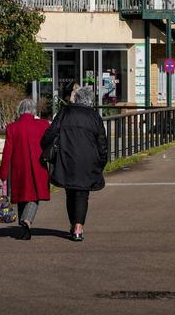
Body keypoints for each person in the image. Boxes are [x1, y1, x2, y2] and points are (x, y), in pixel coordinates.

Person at [41, 85, 109, 242]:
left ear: (76, 98)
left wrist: (45, 146)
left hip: (67, 158)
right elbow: (102, 143)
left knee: (70, 192)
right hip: (88, 160)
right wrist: (101, 162)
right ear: (90, 101)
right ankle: (78, 227)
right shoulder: (95, 117)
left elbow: (51, 133)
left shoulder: (65, 112)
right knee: (82, 194)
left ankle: (74, 224)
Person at [0, 98, 51, 240]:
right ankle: (26, 221)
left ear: (19, 110)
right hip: (39, 166)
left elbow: (7, 152)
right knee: (34, 196)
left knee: (22, 196)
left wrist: (3, 173)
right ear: (33, 111)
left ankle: (24, 228)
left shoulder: (12, 127)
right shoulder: (43, 125)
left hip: (19, 169)